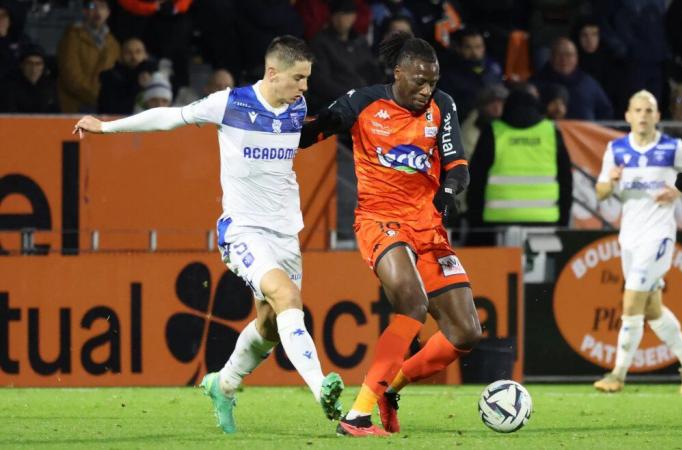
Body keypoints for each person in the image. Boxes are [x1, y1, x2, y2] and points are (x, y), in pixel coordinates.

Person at [72, 35, 344, 434]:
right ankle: (322, 389)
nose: (305, 88)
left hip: (286, 232)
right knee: (288, 298)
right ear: (273, 73)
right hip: (243, 230)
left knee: (270, 328)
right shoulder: (230, 104)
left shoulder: (296, 106)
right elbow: (170, 116)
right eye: (298, 78)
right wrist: (107, 127)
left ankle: (224, 383)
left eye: (306, 79)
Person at [300, 31, 481, 436]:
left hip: (428, 227)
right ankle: (358, 415)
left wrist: (448, 193)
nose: (426, 89)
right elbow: (312, 133)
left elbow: (458, 165)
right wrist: (273, 128)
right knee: (412, 305)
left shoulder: (443, 106)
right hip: (380, 221)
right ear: (398, 73)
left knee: (466, 332)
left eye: (432, 81)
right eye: (419, 80)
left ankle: (390, 388)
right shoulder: (363, 103)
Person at [593, 90, 682, 395]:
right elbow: (600, 192)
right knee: (652, 309)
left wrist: (679, 190)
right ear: (627, 115)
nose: (642, 115)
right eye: (637, 110)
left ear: (657, 116)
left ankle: (618, 374)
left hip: (659, 235)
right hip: (629, 236)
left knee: (631, 302)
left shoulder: (672, 147)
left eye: (649, 110)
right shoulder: (616, 149)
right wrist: (610, 181)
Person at [466, 84, 573, 245]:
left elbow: (476, 180)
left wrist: (476, 222)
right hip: (545, 221)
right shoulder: (551, 132)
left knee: (499, 270)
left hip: (497, 223)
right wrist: (563, 221)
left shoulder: (493, 132)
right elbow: (566, 181)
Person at [98, 37, 158, 114]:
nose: (134, 56)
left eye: (138, 52)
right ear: (120, 56)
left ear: (145, 55)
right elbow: (112, 109)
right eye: (128, 52)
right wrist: (138, 86)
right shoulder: (110, 78)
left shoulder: (155, 75)